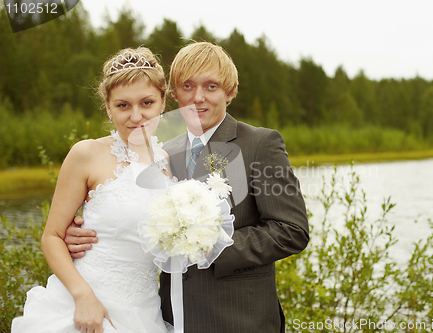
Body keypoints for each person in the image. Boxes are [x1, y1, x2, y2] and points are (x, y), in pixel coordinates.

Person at [66, 42, 309, 333]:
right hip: (170, 319)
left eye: (211, 86)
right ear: (174, 95)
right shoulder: (162, 155)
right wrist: (88, 234)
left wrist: (212, 246)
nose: (198, 98)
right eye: (188, 86)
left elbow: (292, 230)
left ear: (229, 92)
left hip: (240, 320)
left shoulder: (260, 144)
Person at [11, 47, 174, 333]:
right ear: (108, 108)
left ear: (163, 102)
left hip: (145, 312)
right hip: (87, 305)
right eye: (123, 105)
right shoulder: (86, 154)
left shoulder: (166, 163)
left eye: (146, 102)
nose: (136, 116)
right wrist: (83, 296)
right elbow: (51, 237)